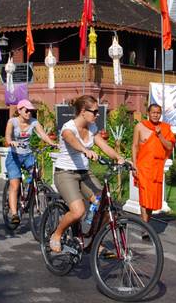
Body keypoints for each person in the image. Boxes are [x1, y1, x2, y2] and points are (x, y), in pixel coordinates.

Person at [48, 95, 125, 253]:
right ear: (83, 111)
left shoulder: (92, 128)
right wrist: (85, 150)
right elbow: (71, 140)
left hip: (84, 173)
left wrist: (119, 157)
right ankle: (57, 234)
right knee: (78, 211)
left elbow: (104, 146)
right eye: (95, 111)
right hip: (65, 174)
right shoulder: (68, 127)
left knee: (104, 205)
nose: (97, 115)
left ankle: (95, 243)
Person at [4, 99, 58, 226]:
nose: (29, 113)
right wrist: (11, 141)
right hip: (14, 156)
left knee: (36, 176)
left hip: (28, 155)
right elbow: (7, 136)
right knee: (15, 185)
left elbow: (43, 135)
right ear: (19, 110)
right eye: (26, 110)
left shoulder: (34, 122)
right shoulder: (12, 122)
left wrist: (51, 143)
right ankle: (14, 213)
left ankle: (29, 191)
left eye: (31, 111)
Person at [132, 104, 175, 225]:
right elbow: (135, 146)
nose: (156, 115)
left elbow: (169, 146)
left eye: (158, 113)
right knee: (144, 197)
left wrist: (160, 135)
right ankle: (145, 226)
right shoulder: (139, 127)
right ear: (148, 113)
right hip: (143, 168)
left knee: (151, 199)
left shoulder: (165, 128)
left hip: (156, 168)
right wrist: (134, 165)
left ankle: (146, 223)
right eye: (153, 112)